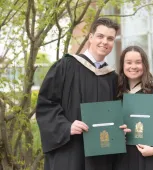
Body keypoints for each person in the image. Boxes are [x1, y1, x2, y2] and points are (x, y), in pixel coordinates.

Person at [36, 18, 130, 170]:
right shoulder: (66, 67)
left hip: (101, 156)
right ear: (90, 37)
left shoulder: (113, 78)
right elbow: (46, 104)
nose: (104, 42)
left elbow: (118, 113)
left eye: (110, 38)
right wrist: (66, 127)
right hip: (70, 151)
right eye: (100, 36)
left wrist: (121, 129)